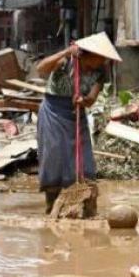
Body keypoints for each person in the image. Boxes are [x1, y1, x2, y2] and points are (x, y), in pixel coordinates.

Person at [35, 33, 121, 214]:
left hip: (76, 114)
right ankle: (52, 206)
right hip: (53, 112)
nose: (103, 61)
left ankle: (89, 209)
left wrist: (83, 100)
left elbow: (91, 99)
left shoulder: (100, 73)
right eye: (101, 57)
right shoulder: (66, 62)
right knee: (54, 158)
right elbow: (40, 69)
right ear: (89, 54)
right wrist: (66, 52)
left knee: (83, 162)